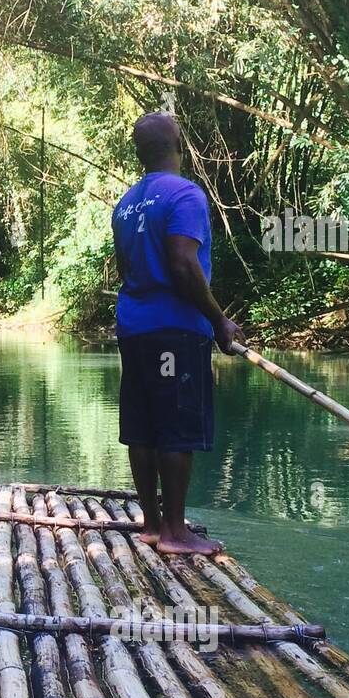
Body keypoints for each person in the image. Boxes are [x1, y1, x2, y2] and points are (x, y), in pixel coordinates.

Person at [111, 112, 242, 554]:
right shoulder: (185, 194)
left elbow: (125, 268)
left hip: (134, 328)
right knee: (175, 427)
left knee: (143, 426)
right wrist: (219, 321)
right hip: (175, 331)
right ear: (179, 145)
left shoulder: (126, 203)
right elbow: (184, 264)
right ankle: (174, 532)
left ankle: (151, 523)